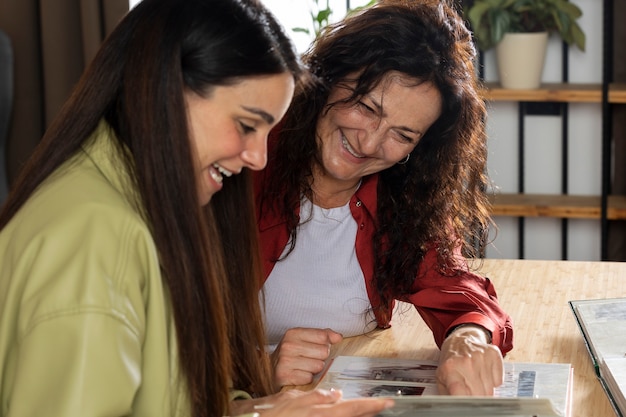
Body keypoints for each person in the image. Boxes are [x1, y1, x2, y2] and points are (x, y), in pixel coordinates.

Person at [0, 0, 394, 416]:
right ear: (163, 90)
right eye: (245, 126)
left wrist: (256, 410)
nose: (258, 158)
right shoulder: (96, 239)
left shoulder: (126, 201)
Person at [254, 0, 515, 396]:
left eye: (403, 135)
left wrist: (468, 338)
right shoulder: (245, 158)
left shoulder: (402, 199)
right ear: (327, 79)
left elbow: (461, 296)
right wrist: (256, 367)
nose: (371, 142)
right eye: (365, 106)